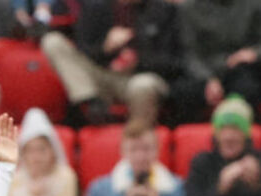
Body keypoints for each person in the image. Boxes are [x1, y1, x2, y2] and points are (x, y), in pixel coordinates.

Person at [40, 0, 182, 125]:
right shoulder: (97, 7)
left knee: (142, 85)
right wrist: (105, 48)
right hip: (103, 76)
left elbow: (176, 62)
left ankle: (137, 138)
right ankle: (91, 103)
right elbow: (84, 49)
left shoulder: (163, 10)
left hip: (139, 77)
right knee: (53, 41)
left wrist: (138, 58)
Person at [176, 0, 261, 120]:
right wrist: (208, 79)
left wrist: (255, 52)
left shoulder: (256, 4)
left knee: (249, 86)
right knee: (182, 92)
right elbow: (189, 53)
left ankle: (245, 131)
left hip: (241, 69)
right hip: (204, 70)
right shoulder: (190, 8)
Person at [0, 108, 78, 196]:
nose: (36, 157)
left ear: (53, 150)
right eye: (30, 150)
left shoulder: (65, 176)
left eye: (42, 149)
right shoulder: (14, 179)